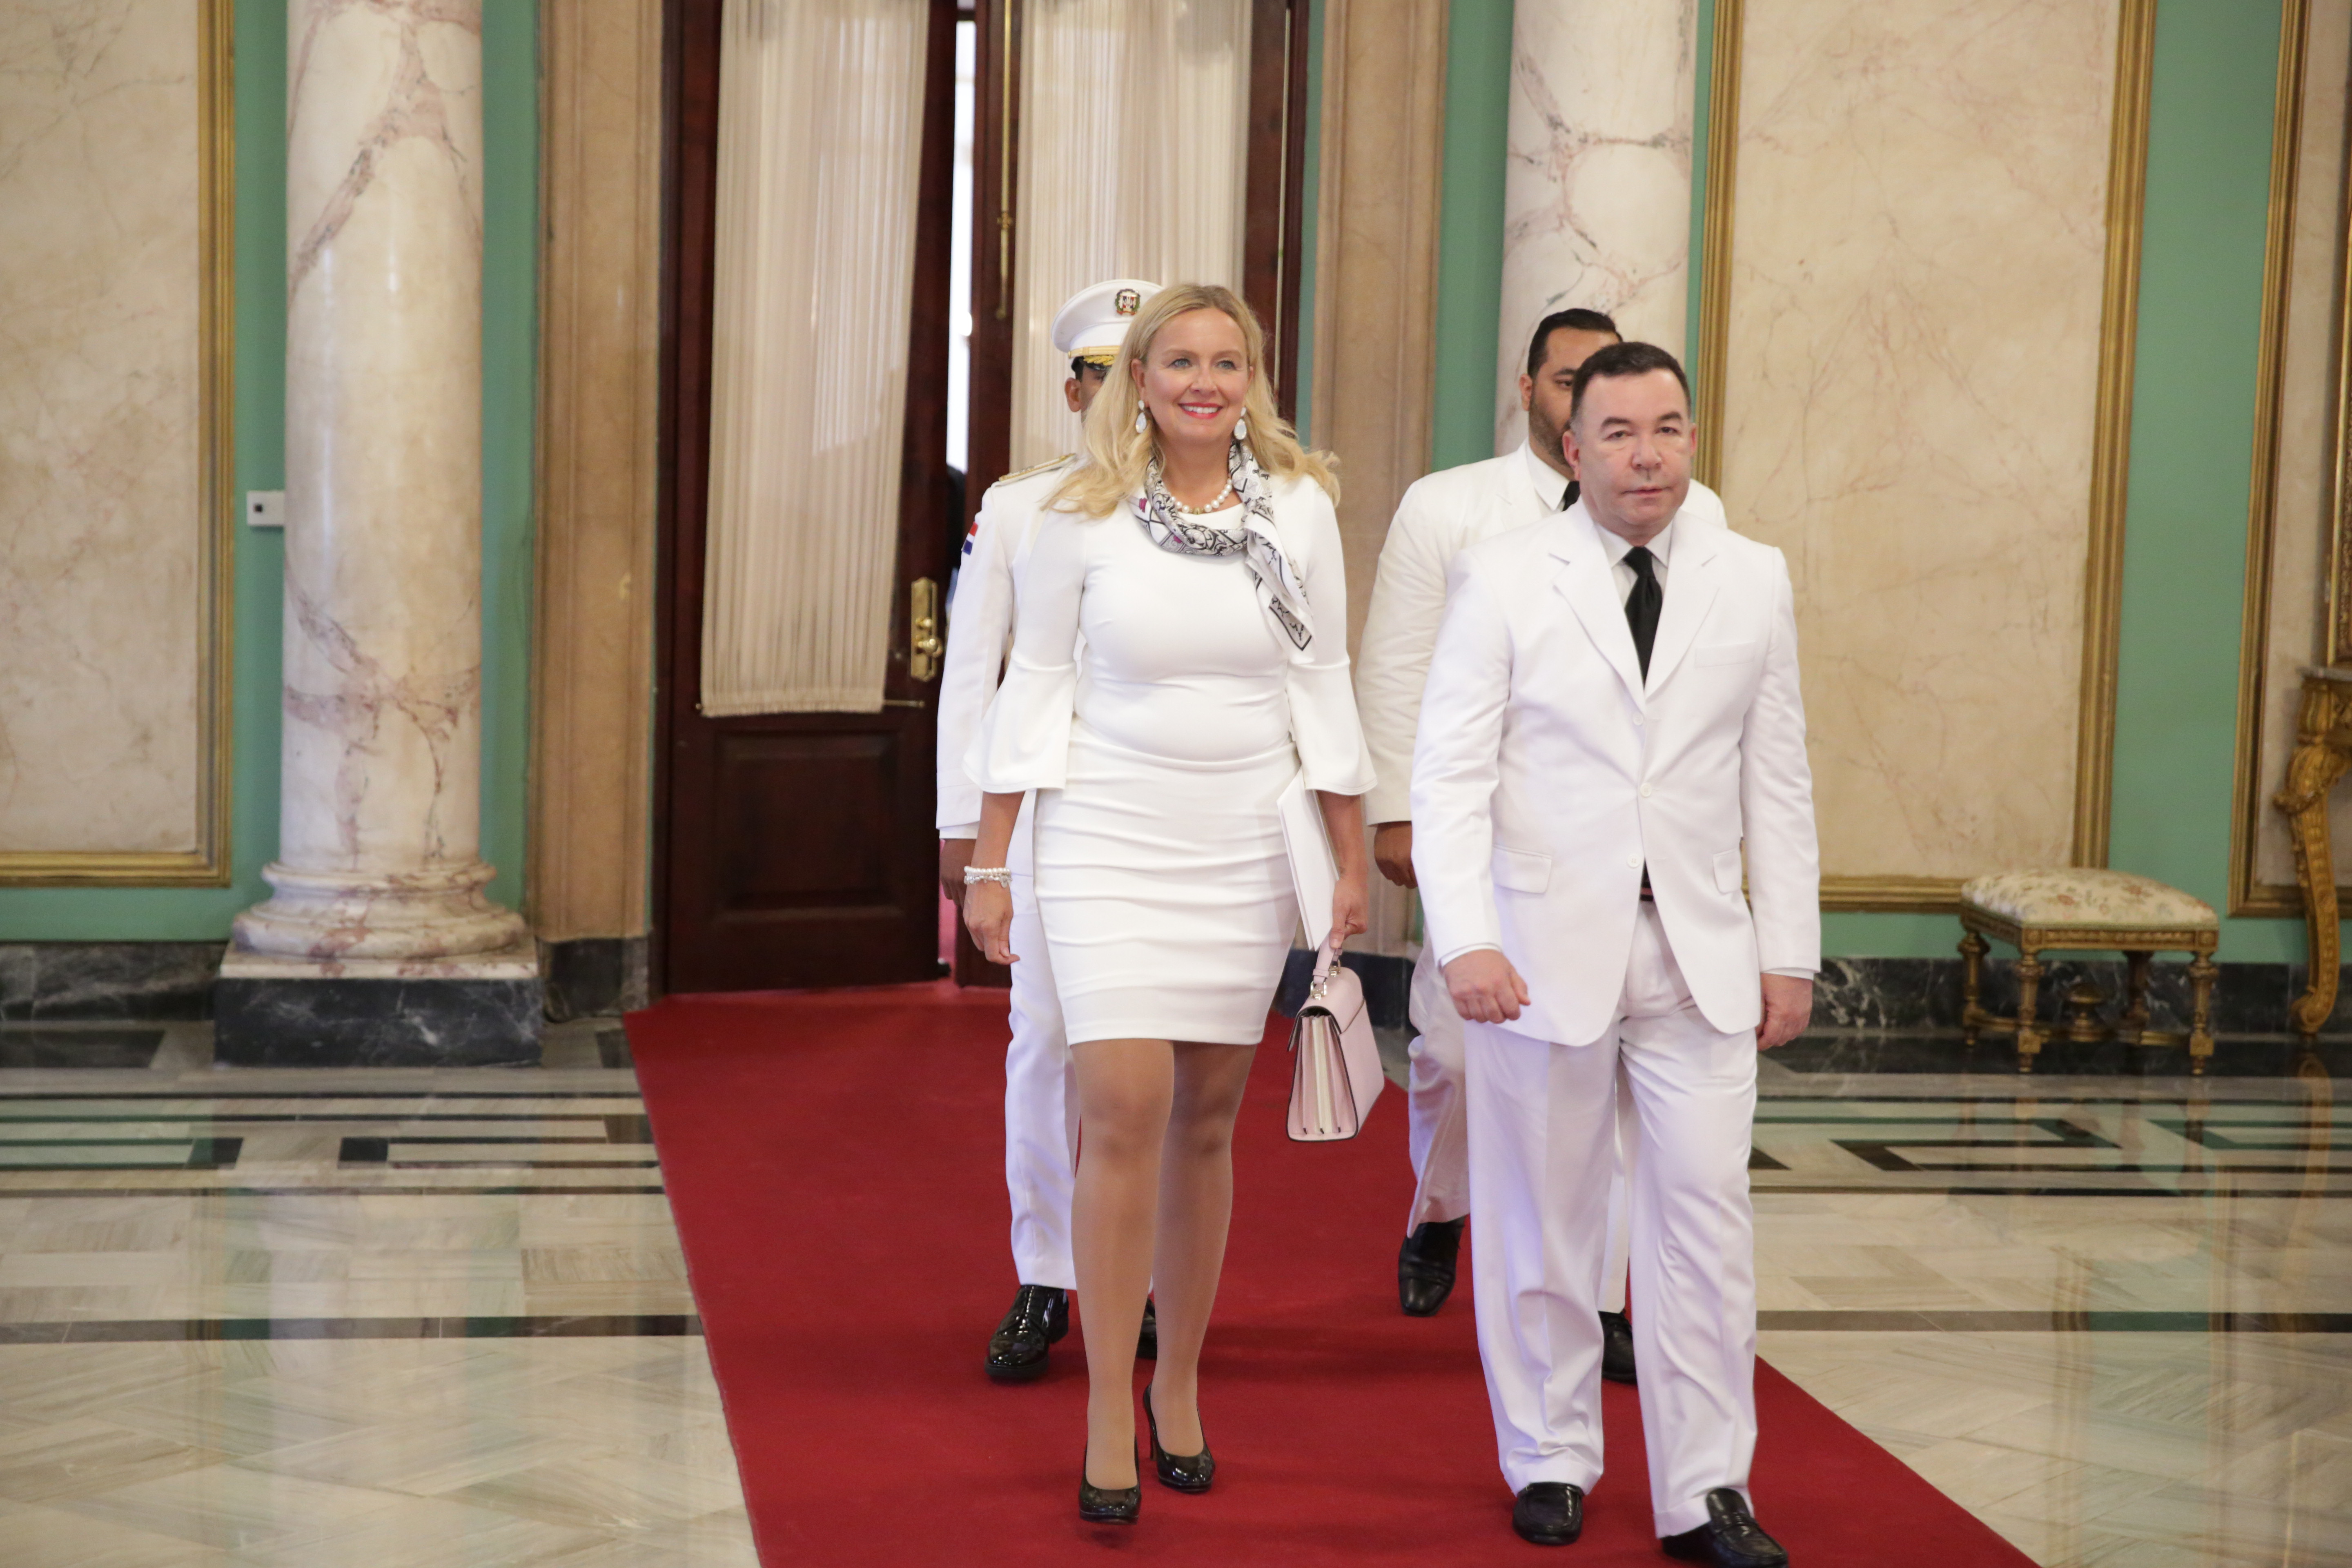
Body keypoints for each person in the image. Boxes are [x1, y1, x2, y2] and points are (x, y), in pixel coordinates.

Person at [962, 283, 1373, 1523]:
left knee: (1204, 1123)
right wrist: (992, 863)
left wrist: (1348, 862)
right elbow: (1033, 686)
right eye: (1180, 360)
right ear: (1137, 378)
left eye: (1226, 361)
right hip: (1106, 836)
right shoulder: (1077, 512)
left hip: (1243, 842)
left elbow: (1324, 685)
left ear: (1253, 380)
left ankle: (1178, 1383)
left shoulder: (1298, 509)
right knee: (1122, 1106)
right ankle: (1104, 1410)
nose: (1205, 382)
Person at [1412, 341, 1817, 1561]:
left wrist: (1790, 950)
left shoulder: (1752, 577)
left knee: (1706, 1226)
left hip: (1702, 954)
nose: (1649, 455)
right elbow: (1449, 776)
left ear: (1693, 438)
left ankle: (1708, 1491)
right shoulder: (1502, 575)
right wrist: (1466, 939)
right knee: (1547, 1220)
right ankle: (1549, 1454)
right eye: (1621, 433)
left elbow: (1778, 776)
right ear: (1572, 447)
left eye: (1669, 429)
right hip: (1538, 954)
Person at [1356, 307, 1730, 1367]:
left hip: (1625, 857)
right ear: (1533, 393)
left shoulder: (1692, 518)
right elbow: (1398, 661)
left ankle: (1601, 1298)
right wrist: (1397, 811)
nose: (1586, 398)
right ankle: (1441, 1208)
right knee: (1451, 1055)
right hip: (1487, 833)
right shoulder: (1451, 507)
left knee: (1607, 1085)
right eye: (1567, 380)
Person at [938, 279, 1165, 1381]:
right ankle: (1044, 1271)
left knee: (1167, 1059)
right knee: (1045, 1045)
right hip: (1044, 818)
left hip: (1178, 823)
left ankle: (1147, 1276)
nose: (1119, 398)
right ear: (1073, 391)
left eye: (1139, 375)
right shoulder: (1021, 507)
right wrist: (962, 824)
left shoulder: (1234, 505)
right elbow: (973, 671)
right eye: (1099, 378)